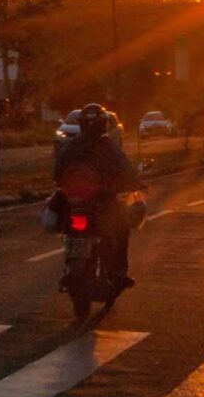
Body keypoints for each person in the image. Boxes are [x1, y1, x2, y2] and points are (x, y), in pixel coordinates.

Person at [54, 102, 142, 289]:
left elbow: (57, 170)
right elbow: (126, 168)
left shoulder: (72, 146)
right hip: (102, 201)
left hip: (75, 201)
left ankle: (72, 271)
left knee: (68, 228)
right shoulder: (109, 146)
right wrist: (134, 183)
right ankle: (119, 273)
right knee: (122, 229)